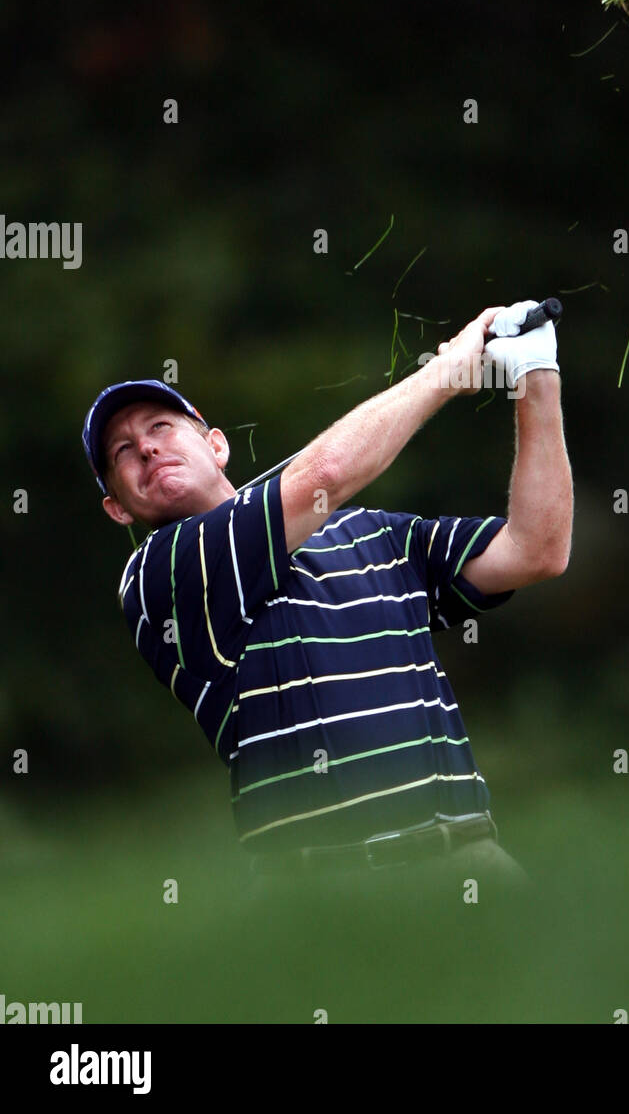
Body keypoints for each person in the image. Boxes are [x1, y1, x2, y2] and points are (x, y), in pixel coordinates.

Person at [81, 301, 572, 899]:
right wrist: (444, 374)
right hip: (323, 895)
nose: (147, 449)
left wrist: (536, 374)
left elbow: (537, 549)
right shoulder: (160, 573)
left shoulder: (373, 533)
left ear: (216, 445)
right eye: (122, 453)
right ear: (117, 509)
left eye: (159, 428)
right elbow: (326, 473)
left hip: (471, 865)